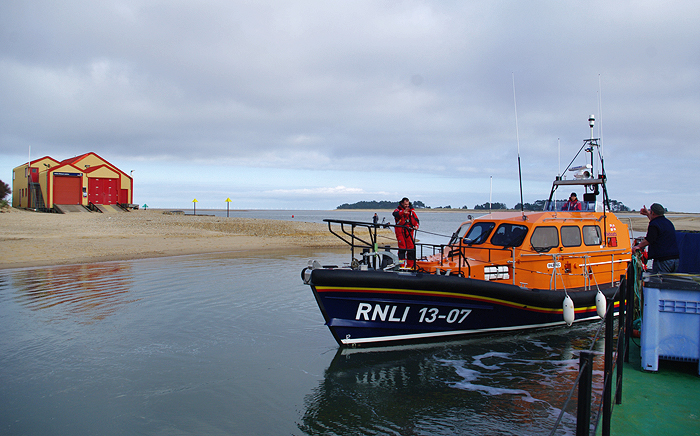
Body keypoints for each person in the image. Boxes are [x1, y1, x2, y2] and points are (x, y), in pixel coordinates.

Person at [632, 203, 679, 273]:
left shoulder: (654, 225)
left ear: (653, 212)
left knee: (660, 281)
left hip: (663, 260)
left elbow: (649, 239)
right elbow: (657, 222)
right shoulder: (668, 222)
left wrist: (638, 246)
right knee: (670, 281)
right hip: (675, 259)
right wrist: (648, 214)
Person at [392, 197, 419, 268]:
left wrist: (416, 226)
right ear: (402, 204)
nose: (407, 206)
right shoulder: (398, 210)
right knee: (402, 249)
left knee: (411, 249)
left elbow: (416, 221)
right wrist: (402, 212)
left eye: (407, 204)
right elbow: (395, 214)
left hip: (409, 232)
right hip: (400, 232)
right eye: (405, 204)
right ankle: (401, 265)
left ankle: (410, 266)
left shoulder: (412, 212)